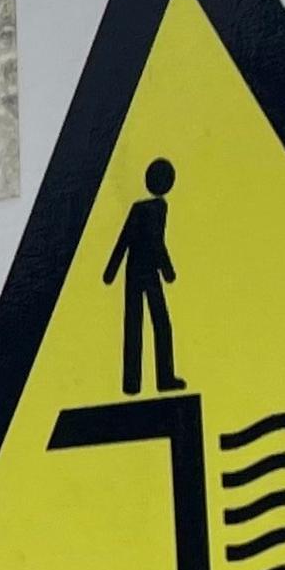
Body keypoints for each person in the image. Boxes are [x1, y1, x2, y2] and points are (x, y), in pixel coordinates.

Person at [101, 157, 184, 395]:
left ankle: (131, 383)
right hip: (147, 272)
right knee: (161, 323)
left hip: (132, 271)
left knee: (133, 325)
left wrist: (111, 271)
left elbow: (123, 239)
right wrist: (167, 271)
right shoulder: (158, 208)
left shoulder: (138, 207)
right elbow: (156, 242)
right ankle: (165, 377)